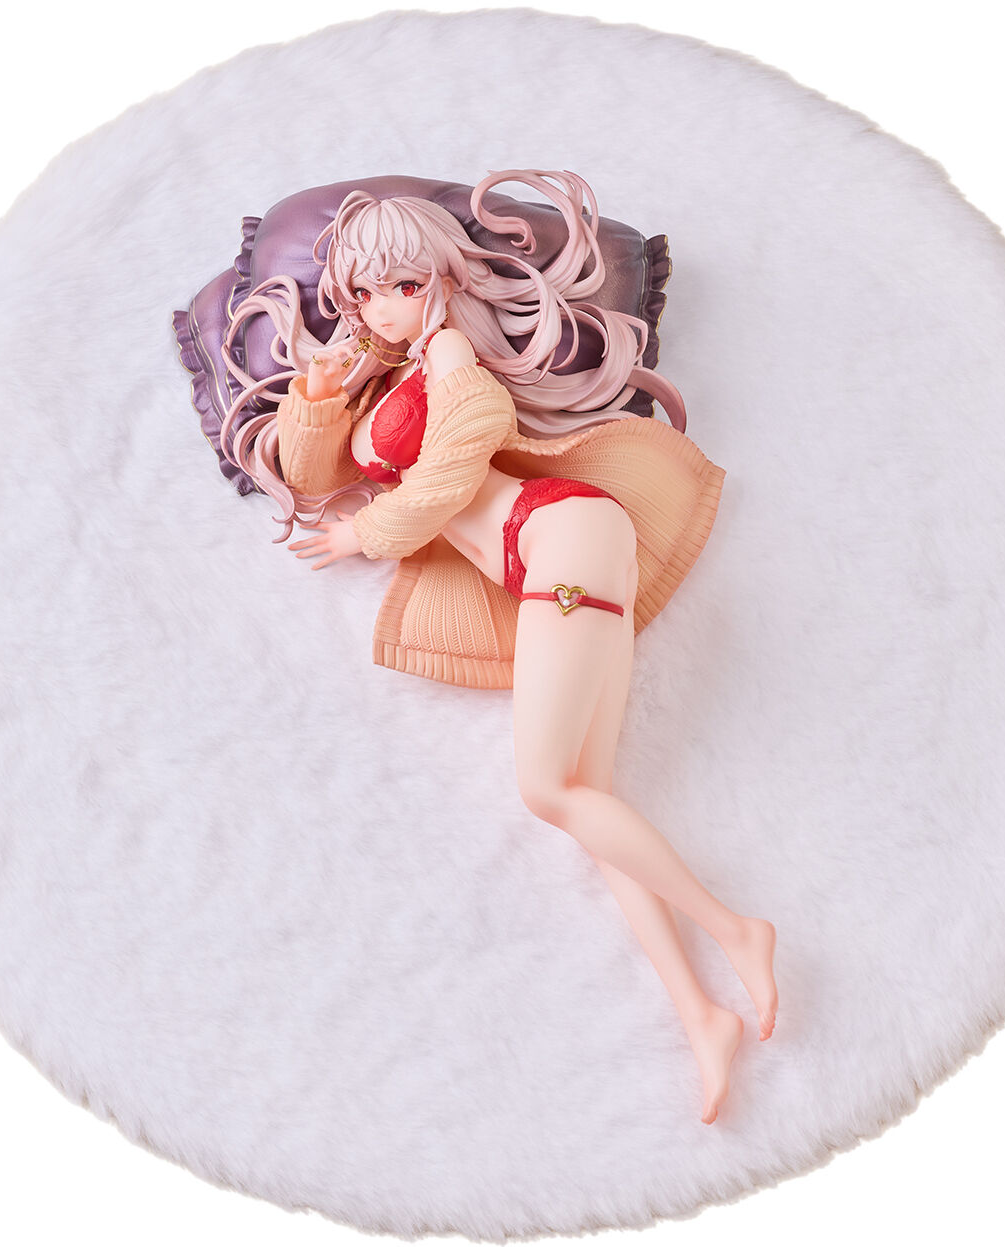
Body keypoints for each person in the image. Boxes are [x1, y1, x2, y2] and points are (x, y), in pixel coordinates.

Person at [215, 169, 777, 1124]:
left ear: (439, 278)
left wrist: (366, 534)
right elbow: (312, 476)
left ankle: (737, 928)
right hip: (547, 557)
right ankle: (700, 1013)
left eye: (402, 283)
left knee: (544, 789)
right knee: (588, 799)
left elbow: (450, 469)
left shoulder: (450, 359)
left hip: (557, 533)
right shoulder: (389, 372)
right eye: (363, 291)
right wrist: (315, 396)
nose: (382, 306)